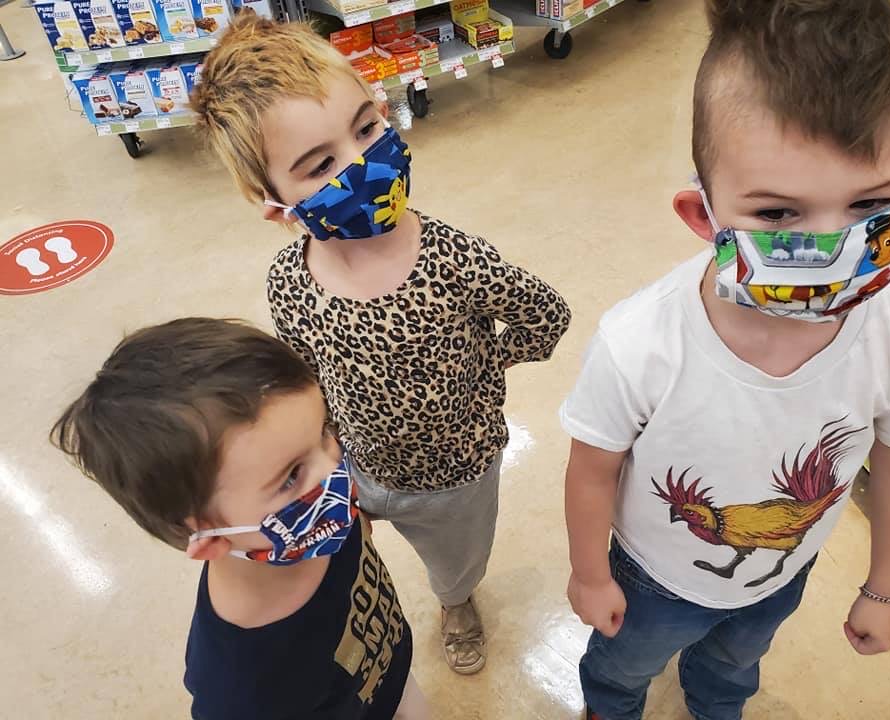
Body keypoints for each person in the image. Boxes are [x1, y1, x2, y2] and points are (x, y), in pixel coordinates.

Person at [560, 1, 890, 719]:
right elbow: (593, 469)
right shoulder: (639, 344)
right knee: (623, 672)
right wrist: (590, 576)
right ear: (701, 215)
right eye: (778, 215)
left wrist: (887, 586)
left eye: (870, 204)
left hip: (782, 573)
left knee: (735, 665)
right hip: (652, 576)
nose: (831, 252)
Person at [190, 15, 571, 674]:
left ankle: (455, 601)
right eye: (320, 164)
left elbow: (547, 317)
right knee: (356, 559)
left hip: (456, 471)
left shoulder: (456, 261)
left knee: (455, 560)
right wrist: (324, 460)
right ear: (277, 205)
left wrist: (486, 366)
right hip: (354, 469)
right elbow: (306, 379)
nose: (363, 163)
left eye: (366, 128)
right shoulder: (288, 282)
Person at [50, 318, 429, 720]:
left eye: (323, 431)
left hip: (391, 671)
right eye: (292, 475)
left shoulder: (320, 520)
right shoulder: (239, 683)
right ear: (213, 538)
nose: (333, 468)